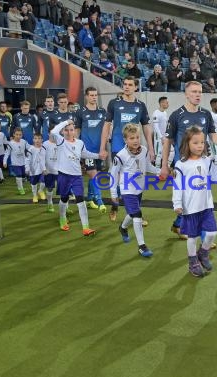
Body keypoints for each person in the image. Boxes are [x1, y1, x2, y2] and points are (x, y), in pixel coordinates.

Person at [160, 81, 217, 239]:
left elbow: (213, 136)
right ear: (186, 94)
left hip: (202, 164)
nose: (197, 95)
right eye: (194, 92)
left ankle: (179, 226)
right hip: (183, 166)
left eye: (200, 92)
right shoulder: (176, 115)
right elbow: (167, 141)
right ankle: (200, 236)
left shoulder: (205, 114)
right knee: (188, 199)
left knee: (198, 198)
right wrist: (164, 165)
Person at [173, 127, 217, 277]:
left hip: (206, 206)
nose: (200, 146)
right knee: (193, 237)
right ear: (187, 144)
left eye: (202, 142)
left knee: (211, 233)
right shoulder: (181, 164)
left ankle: (203, 253)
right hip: (190, 208)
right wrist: (177, 204)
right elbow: (177, 186)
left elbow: (216, 176)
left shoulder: (207, 161)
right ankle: (193, 262)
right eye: (195, 142)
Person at [99, 76, 154, 222]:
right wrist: (102, 147)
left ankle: (136, 214)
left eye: (130, 84)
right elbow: (106, 125)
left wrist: (151, 148)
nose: (127, 87)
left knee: (136, 179)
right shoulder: (114, 103)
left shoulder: (140, 105)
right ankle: (115, 205)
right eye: (125, 84)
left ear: (136, 87)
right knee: (118, 178)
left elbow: (146, 127)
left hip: (136, 149)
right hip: (118, 146)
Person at [110, 123, 159, 257]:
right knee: (137, 215)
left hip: (139, 188)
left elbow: (148, 166)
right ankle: (142, 246)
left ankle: (123, 227)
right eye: (131, 138)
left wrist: (159, 172)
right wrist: (114, 193)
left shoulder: (143, 150)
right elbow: (113, 174)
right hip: (127, 189)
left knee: (132, 214)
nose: (136, 140)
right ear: (125, 140)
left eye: (137, 137)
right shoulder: (120, 156)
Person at [52, 119, 103, 235]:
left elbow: (85, 154)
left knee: (81, 200)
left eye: (71, 130)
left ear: (75, 131)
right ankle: (62, 219)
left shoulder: (80, 143)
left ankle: (86, 227)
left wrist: (98, 156)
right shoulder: (60, 141)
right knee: (64, 198)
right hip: (63, 175)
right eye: (66, 130)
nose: (69, 132)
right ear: (63, 131)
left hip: (77, 176)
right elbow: (54, 132)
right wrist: (65, 122)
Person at [77, 87, 107, 213]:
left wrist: (104, 147)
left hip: (99, 150)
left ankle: (89, 199)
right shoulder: (80, 112)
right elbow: (77, 131)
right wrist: (76, 149)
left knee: (95, 174)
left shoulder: (102, 111)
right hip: (87, 150)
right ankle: (100, 202)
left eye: (95, 95)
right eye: (91, 95)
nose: (94, 97)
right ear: (86, 96)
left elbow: (106, 130)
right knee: (94, 175)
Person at [3, 127, 30, 195]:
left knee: (24, 175)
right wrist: (4, 162)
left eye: (20, 135)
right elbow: (6, 153)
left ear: (22, 135)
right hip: (15, 163)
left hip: (23, 163)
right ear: (14, 134)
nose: (18, 136)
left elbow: (30, 148)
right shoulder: (10, 143)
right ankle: (20, 189)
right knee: (19, 175)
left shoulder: (24, 142)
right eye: (17, 134)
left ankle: (22, 183)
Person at [25, 133, 46, 203]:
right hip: (33, 170)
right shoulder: (31, 149)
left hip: (42, 169)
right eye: (36, 138)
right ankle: (35, 195)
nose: (37, 140)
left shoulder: (44, 148)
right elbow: (27, 159)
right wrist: (27, 168)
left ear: (42, 140)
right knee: (34, 184)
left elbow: (46, 158)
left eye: (39, 138)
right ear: (33, 140)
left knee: (43, 181)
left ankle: (40, 191)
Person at [43, 123, 59, 213]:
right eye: (52, 133)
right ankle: (50, 202)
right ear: (49, 133)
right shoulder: (45, 144)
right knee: (49, 188)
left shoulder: (61, 143)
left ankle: (66, 207)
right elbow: (41, 157)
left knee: (64, 189)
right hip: (49, 171)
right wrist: (43, 168)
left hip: (60, 171)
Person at [151, 96, 170, 170]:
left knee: (171, 151)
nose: (168, 104)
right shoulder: (156, 113)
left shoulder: (165, 112)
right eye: (167, 102)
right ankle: (157, 172)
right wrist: (161, 137)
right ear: (162, 103)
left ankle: (166, 168)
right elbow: (156, 127)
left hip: (165, 137)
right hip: (158, 138)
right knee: (159, 154)